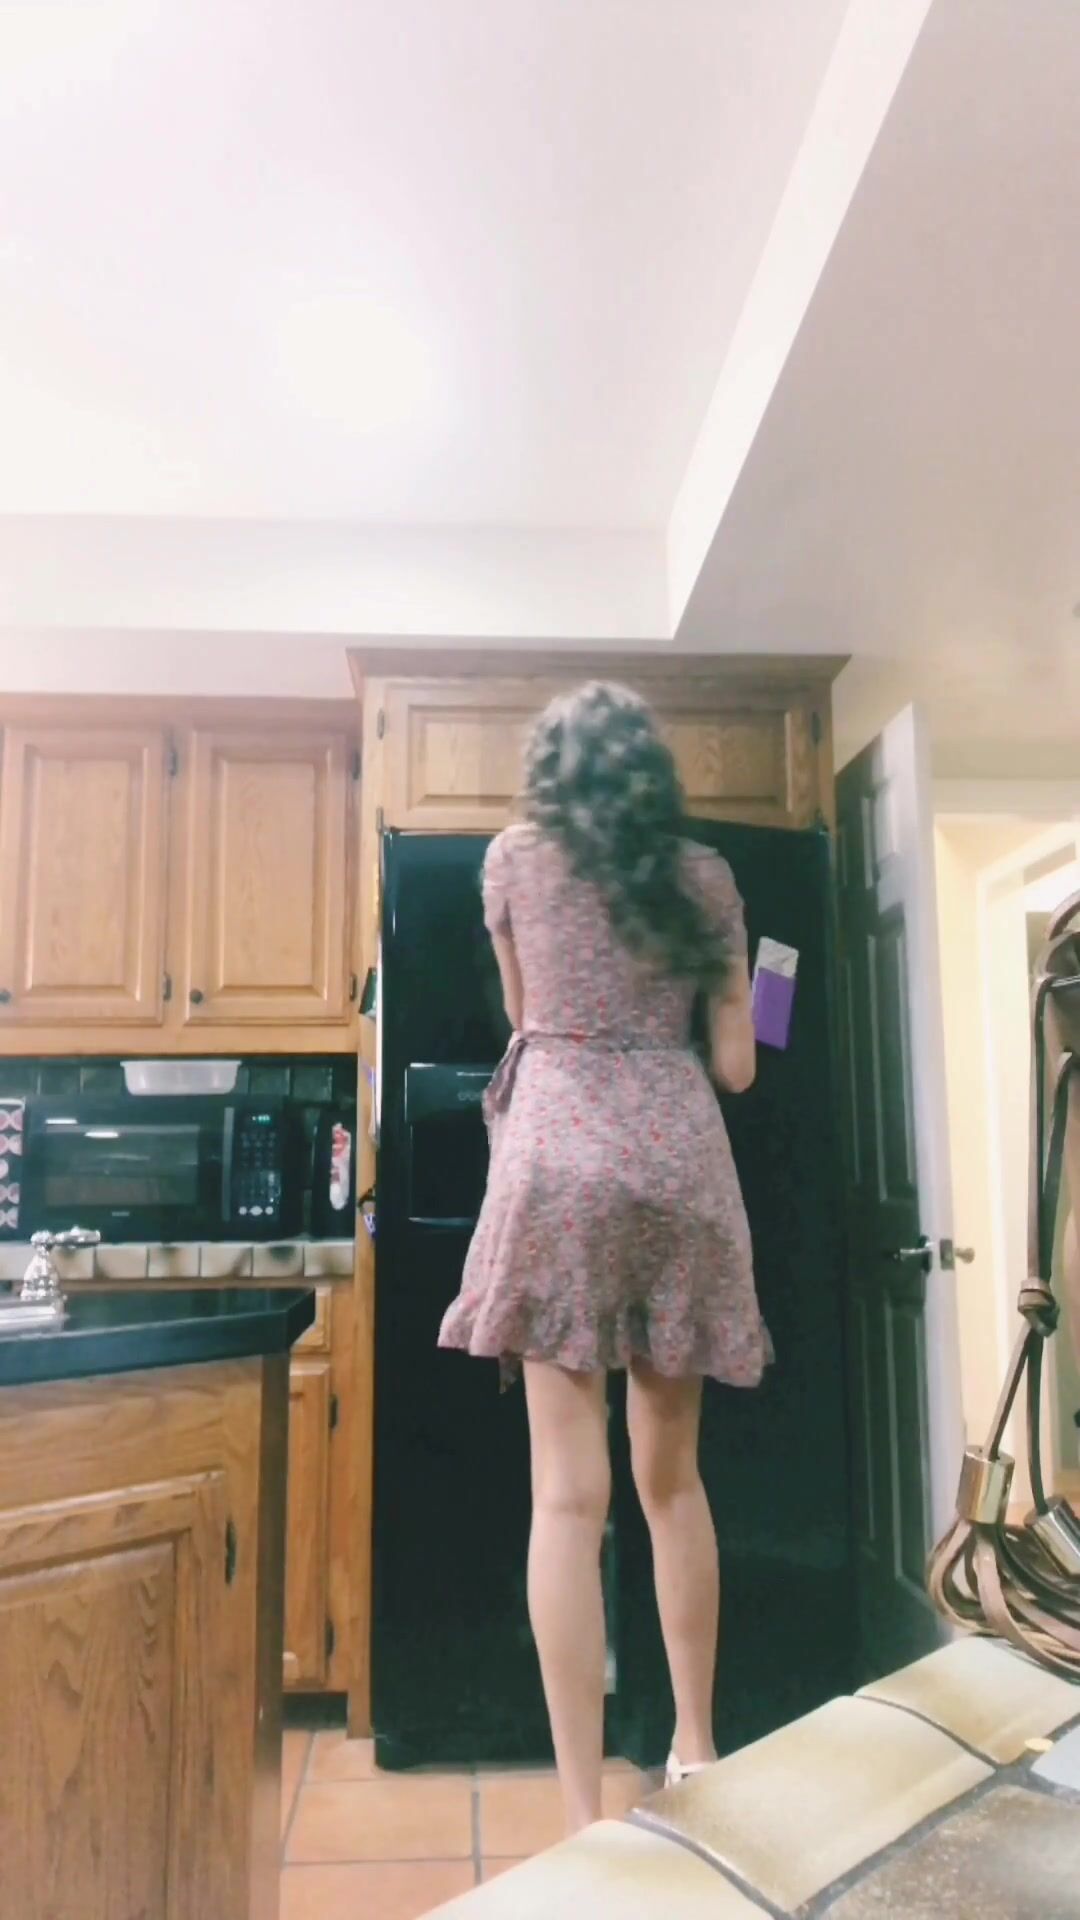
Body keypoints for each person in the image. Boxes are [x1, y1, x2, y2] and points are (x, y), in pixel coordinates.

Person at [438, 681, 771, 1834]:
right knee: (671, 1485)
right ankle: (696, 1749)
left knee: (567, 1500)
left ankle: (583, 1813)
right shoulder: (708, 878)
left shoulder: (514, 862)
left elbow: (527, 1020)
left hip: (558, 1170)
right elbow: (738, 1066)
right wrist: (763, 980)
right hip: (678, 1172)